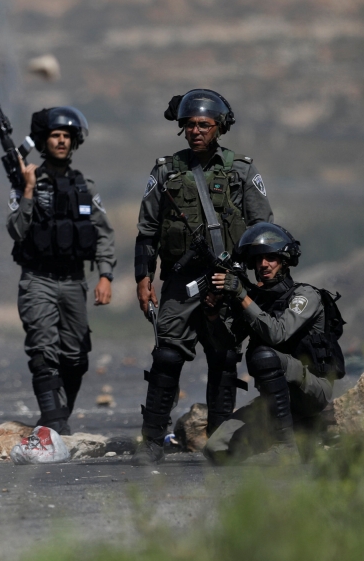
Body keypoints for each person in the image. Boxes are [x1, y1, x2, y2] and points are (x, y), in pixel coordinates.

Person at [132, 89, 273, 465]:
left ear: (219, 127)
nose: (196, 132)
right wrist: (143, 279)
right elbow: (147, 231)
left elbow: (262, 228)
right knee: (166, 356)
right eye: (190, 125)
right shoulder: (166, 170)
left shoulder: (241, 170)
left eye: (204, 125)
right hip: (180, 279)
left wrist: (258, 277)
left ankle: (220, 439)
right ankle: (151, 441)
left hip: (228, 279)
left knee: (224, 357)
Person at [7, 106, 116, 435]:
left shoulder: (85, 186)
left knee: (76, 357)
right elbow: (15, 229)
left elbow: (104, 233)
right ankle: (54, 421)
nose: (61, 141)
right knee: (43, 351)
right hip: (38, 279)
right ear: (44, 140)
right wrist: (27, 190)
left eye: (67, 136)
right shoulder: (26, 182)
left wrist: (106, 276)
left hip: (73, 281)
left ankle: (59, 414)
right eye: (55, 135)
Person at [202, 223, 344, 464]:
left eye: (271, 258)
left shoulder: (305, 296)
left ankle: (285, 444)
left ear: (285, 261)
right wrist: (213, 315)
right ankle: (301, 430)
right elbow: (227, 343)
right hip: (275, 401)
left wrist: (241, 296)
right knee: (216, 450)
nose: (264, 265)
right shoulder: (254, 300)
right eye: (258, 259)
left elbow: (277, 334)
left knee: (264, 355)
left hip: (311, 390)